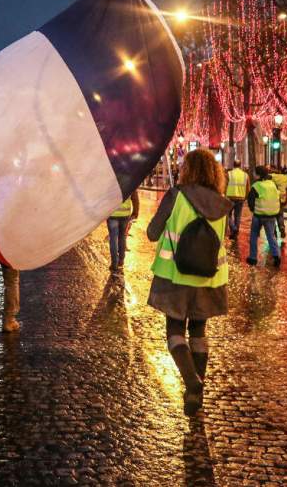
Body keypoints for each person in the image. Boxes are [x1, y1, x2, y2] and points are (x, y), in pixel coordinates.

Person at [146, 148, 232, 416]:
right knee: (198, 333)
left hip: (174, 277)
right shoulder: (222, 203)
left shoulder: (176, 196)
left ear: (187, 170)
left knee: (174, 332)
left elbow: (151, 233)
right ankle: (198, 392)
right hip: (209, 278)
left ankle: (192, 381)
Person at [246, 165, 281, 267]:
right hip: (271, 216)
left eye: (254, 173)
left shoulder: (256, 186)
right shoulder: (272, 184)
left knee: (254, 235)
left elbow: (250, 201)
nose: (253, 174)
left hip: (258, 215)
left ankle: (252, 258)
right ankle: (276, 256)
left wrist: (253, 209)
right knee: (271, 236)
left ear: (258, 175)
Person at [106, 191, 140, 272]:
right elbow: (135, 198)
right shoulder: (130, 180)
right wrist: (135, 212)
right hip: (125, 215)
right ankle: (121, 261)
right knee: (122, 237)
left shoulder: (111, 181)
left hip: (112, 214)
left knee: (113, 238)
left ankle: (114, 263)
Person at [224, 160, 250, 239]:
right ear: (240, 165)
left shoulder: (229, 174)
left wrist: (224, 195)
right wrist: (246, 197)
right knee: (237, 215)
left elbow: (225, 185)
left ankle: (233, 228)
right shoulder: (245, 175)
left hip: (230, 197)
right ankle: (236, 232)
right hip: (241, 197)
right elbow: (247, 187)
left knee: (227, 215)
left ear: (233, 165)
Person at [270, 167, 287, 238]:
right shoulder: (285, 178)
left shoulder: (271, 177)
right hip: (282, 199)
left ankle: (274, 231)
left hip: (272, 199)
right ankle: (281, 227)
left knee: (272, 216)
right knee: (280, 215)